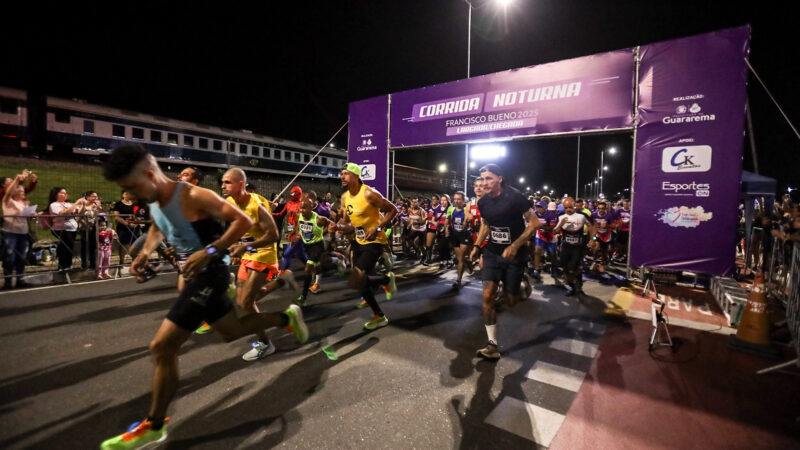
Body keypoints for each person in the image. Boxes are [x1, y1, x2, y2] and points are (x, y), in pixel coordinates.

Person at [100, 145, 308, 449]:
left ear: (148, 174)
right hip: (193, 275)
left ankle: (154, 425)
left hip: (211, 274)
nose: (130, 195)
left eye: (131, 187)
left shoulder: (193, 196)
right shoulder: (155, 200)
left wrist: (210, 250)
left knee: (162, 346)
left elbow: (243, 222)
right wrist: (144, 254)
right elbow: (159, 226)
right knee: (230, 331)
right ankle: (284, 317)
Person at [222, 168, 295, 361]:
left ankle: (266, 343)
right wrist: (237, 246)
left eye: (227, 182)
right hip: (248, 254)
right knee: (244, 300)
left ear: (240, 184)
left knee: (246, 303)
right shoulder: (230, 202)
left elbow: (274, 235)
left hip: (264, 254)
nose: (223, 185)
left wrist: (246, 246)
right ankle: (281, 282)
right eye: (222, 182)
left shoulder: (256, 206)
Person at [471, 164, 539, 360]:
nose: (484, 183)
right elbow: (486, 225)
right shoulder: (483, 202)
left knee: (511, 300)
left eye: (489, 178)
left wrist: (516, 245)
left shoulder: (514, 197)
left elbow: (535, 223)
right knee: (487, 297)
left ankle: (521, 282)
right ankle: (492, 344)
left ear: (499, 178)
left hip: (515, 255)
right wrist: (477, 246)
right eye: (482, 179)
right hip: (492, 252)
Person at [336, 163, 398, 330]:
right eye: (341, 173)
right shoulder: (345, 198)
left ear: (356, 176)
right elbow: (348, 222)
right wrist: (338, 227)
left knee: (357, 278)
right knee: (361, 284)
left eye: (346, 174)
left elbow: (393, 210)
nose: (342, 176)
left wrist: (377, 228)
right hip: (359, 241)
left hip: (375, 241)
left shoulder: (369, 193)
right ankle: (379, 316)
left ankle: (387, 279)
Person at [296, 196, 334, 304]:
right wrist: (297, 235)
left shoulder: (319, 219)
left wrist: (325, 232)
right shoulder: (300, 216)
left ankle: (303, 296)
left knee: (308, 268)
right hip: (307, 246)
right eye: (301, 208)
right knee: (316, 268)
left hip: (317, 246)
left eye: (304, 208)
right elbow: (298, 226)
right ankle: (335, 262)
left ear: (311, 207)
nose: (302, 210)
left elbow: (331, 223)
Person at [554, 197, 595, 296]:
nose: (568, 209)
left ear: (574, 206)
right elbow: (554, 231)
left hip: (578, 247)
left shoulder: (582, 215)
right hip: (565, 246)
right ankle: (571, 286)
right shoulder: (560, 216)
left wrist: (592, 239)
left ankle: (577, 282)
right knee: (566, 269)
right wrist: (561, 225)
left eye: (570, 207)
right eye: (566, 207)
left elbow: (593, 226)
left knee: (572, 269)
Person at [2, 171, 33, 289]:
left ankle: (20, 279)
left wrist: (31, 212)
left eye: (22, 191)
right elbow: (8, 192)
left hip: (23, 232)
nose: (22, 193)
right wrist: (16, 180)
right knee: (9, 257)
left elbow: (26, 216)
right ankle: (8, 281)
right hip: (11, 233)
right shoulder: (8, 201)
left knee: (21, 257)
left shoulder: (24, 203)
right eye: (19, 191)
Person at [48, 186, 85, 271]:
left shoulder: (68, 204)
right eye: (62, 193)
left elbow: (78, 212)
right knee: (64, 247)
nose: (65, 194)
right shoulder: (54, 205)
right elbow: (63, 212)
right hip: (61, 229)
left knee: (70, 246)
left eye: (65, 193)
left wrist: (82, 205)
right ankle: (62, 266)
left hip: (72, 228)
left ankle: (68, 265)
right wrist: (76, 203)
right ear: (56, 194)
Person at [446, 191, 473, 289]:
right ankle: (468, 262)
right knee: (460, 259)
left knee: (460, 258)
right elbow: (448, 220)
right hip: (455, 236)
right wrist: (446, 230)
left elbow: (470, 220)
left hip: (465, 236)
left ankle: (458, 281)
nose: (456, 201)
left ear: (463, 200)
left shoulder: (467, 209)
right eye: (455, 199)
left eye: (459, 199)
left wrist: (468, 220)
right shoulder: (451, 208)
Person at [532, 200, 560, 281]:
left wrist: (539, 226)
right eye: (537, 207)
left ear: (545, 208)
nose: (538, 209)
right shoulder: (534, 213)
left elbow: (550, 228)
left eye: (540, 207)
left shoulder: (552, 215)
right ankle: (536, 269)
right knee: (537, 250)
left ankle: (553, 268)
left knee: (552, 254)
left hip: (551, 236)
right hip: (540, 235)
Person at [111, 190, 139, 263]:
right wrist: (127, 224)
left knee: (135, 244)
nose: (128, 195)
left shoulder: (135, 204)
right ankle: (122, 261)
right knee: (123, 244)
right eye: (126, 194)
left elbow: (138, 215)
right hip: (123, 227)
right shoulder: (119, 204)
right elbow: (116, 216)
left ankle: (135, 261)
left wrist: (136, 223)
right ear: (123, 195)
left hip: (134, 227)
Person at [589, 201, 618, 272]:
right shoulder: (593, 215)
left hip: (606, 235)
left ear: (605, 209)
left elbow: (614, 226)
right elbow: (590, 224)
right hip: (597, 234)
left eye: (602, 208)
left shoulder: (609, 215)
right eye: (599, 208)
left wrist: (607, 225)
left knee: (604, 251)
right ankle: (594, 261)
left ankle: (602, 264)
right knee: (595, 247)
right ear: (597, 208)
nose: (600, 210)